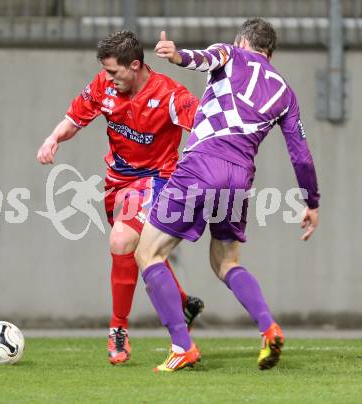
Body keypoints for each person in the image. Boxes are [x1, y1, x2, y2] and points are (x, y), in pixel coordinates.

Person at [135, 18, 320, 372]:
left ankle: (181, 345)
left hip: (201, 165)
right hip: (239, 177)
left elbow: (204, 58)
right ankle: (269, 327)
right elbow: (301, 154)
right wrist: (311, 202)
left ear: (243, 40)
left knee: (148, 252)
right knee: (226, 262)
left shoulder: (231, 53)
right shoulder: (285, 92)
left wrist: (176, 56)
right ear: (271, 53)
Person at [36, 30, 204, 365]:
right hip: (118, 183)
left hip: (158, 179)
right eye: (106, 72)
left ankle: (118, 329)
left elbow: (206, 125)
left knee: (122, 240)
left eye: (114, 72)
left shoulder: (170, 95)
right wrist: (53, 138)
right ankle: (183, 301)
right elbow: (74, 119)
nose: (108, 79)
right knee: (140, 250)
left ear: (136, 65)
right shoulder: (104, 85)